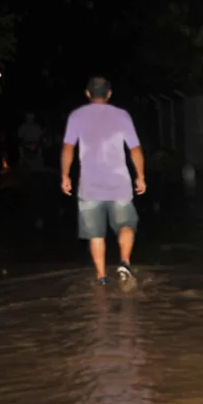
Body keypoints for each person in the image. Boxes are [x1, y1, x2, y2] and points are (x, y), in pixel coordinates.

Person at [61, 77, 146, 285]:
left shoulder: (76, 116)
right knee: (127, 224)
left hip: (89, 186)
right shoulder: (122, 115)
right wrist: (140, 176)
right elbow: (135, 149)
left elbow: (68, 148)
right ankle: (124, 262)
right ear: (109, 94)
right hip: (119, 184)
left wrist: (65, 175)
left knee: (96, 235)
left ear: (88, 94)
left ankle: (101, 278)